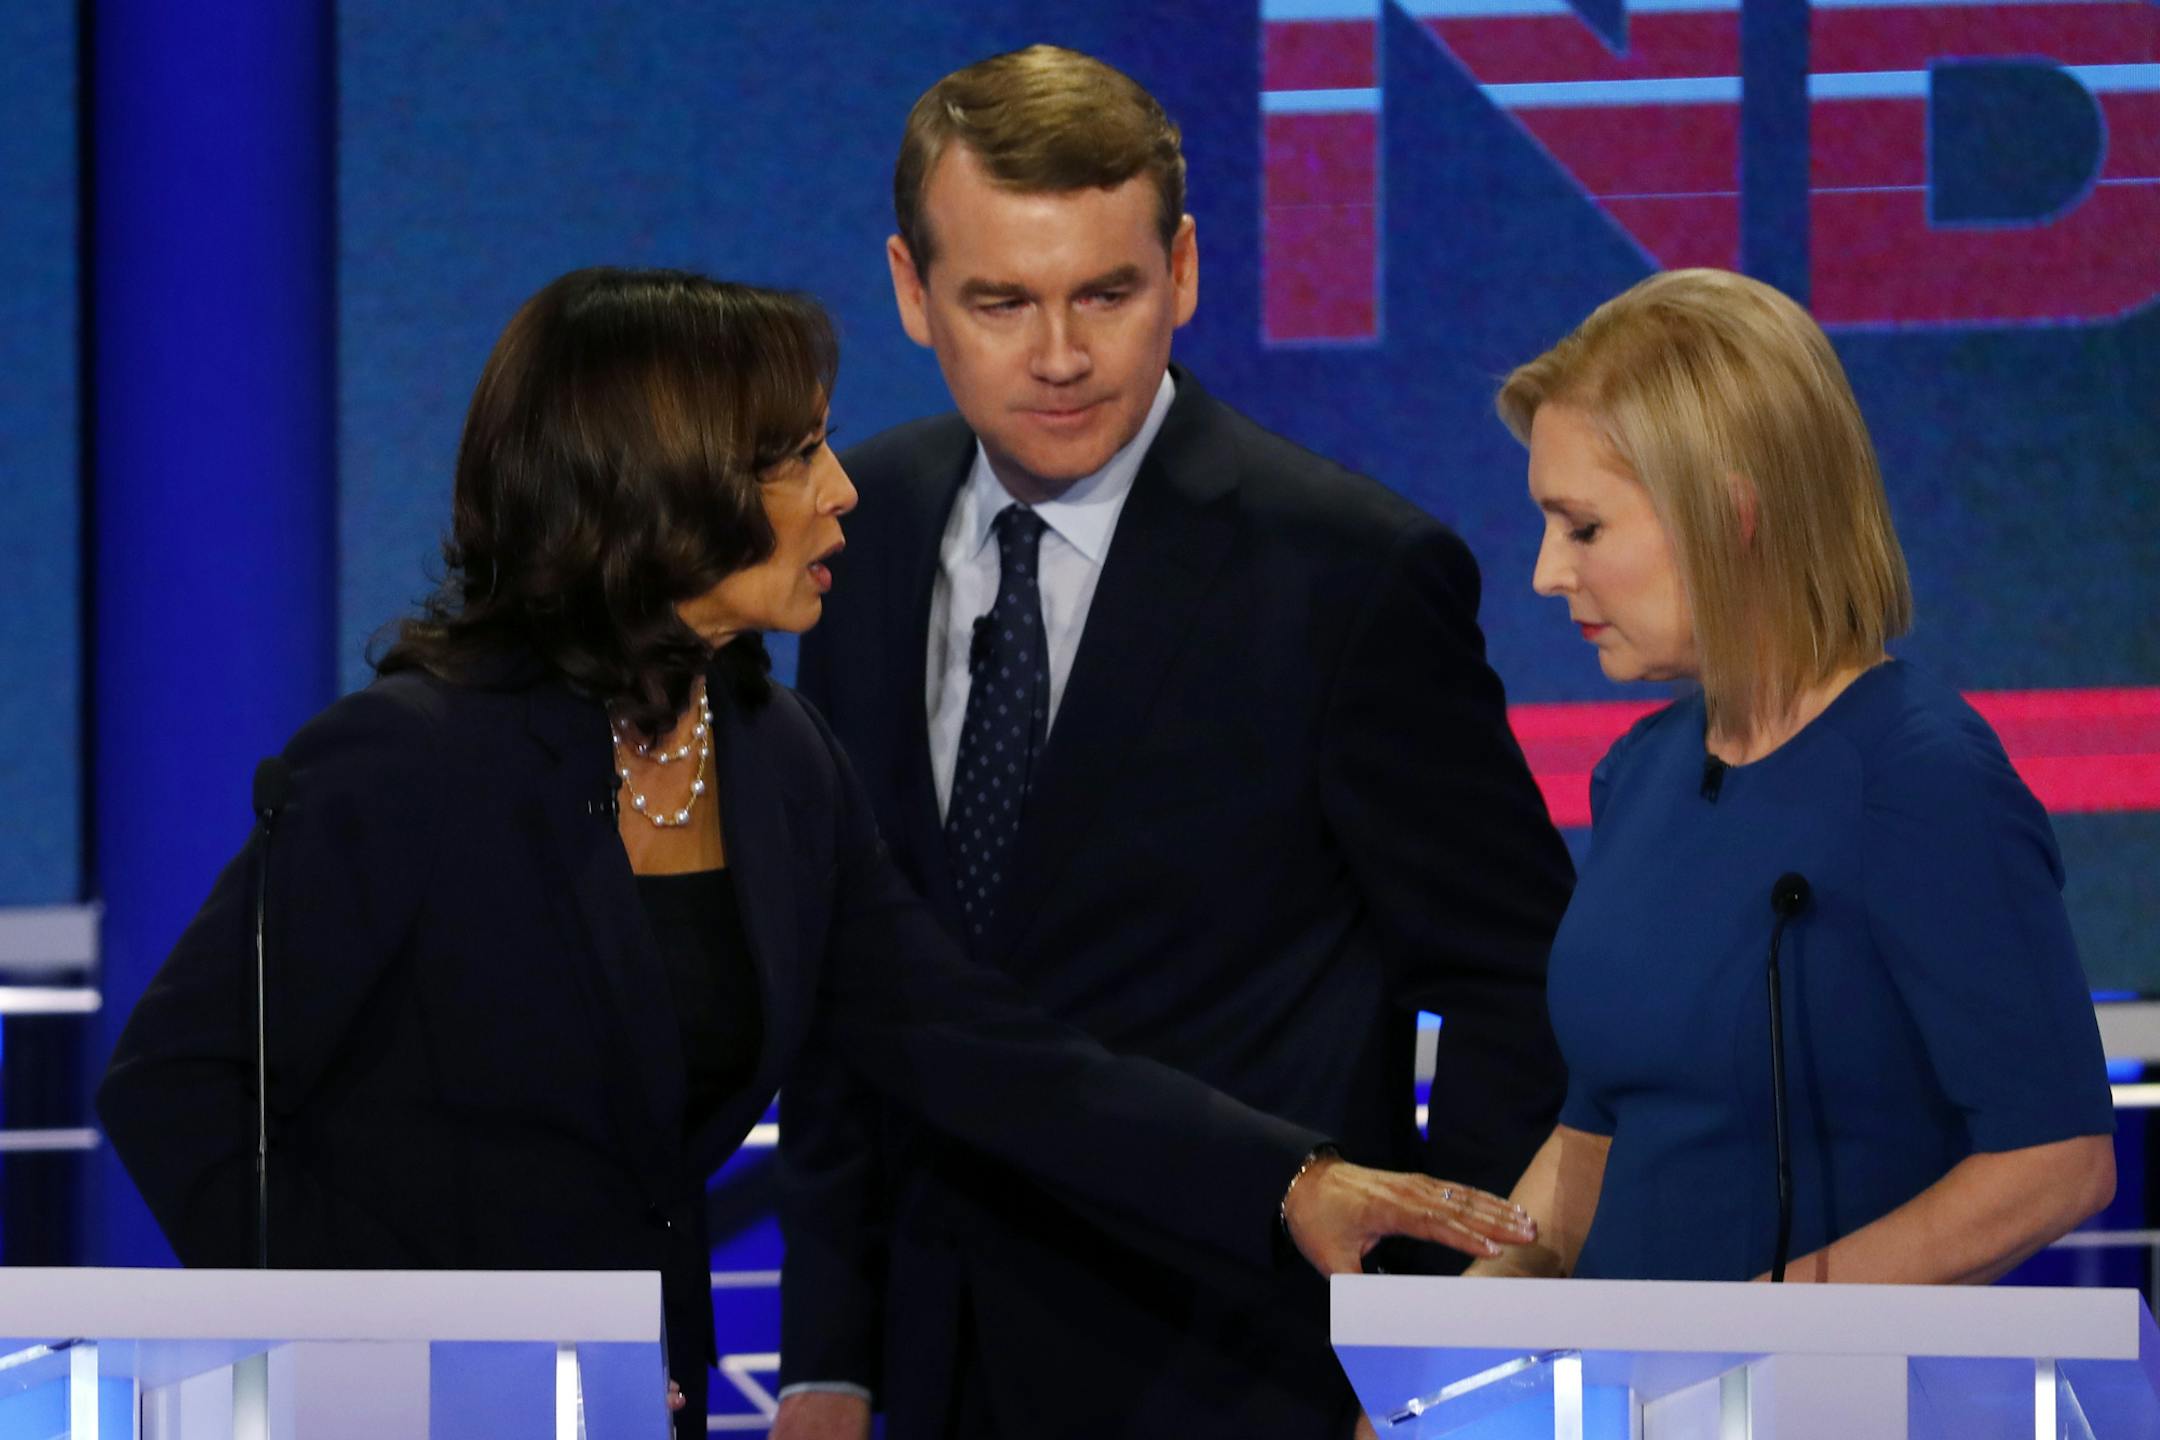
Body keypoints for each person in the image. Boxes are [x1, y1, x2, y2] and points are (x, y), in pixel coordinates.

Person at [94, 267, 1541, 1439]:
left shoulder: (774, 755)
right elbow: (180, 1091)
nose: (844, 488)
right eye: (793, 456)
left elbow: (981, 1050)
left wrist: (1289, 1185)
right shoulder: (410, 762)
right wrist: (404, 1361)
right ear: (656, 490)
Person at [772, 46, 1575, 1440]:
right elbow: (856, 976)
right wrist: (826, 1356)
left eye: (1108, 292)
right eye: (1001, 301)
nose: (1064, 354)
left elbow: (1515, 981)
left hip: (1235, 1367)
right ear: (910, 290)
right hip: (926, 1360)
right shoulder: (863, 529)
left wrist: (1441, 1344)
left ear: (1185, 271)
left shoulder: (1349, 573)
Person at [1473, 266, 2115, 1286]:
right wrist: (1444, 1368)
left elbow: (2055, 1163)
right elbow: (1595, 1137)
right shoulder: (1638, 774)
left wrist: (1762, 1336)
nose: (1548, 573)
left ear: (1727, 515)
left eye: (1583, 527)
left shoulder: (1921, 777)